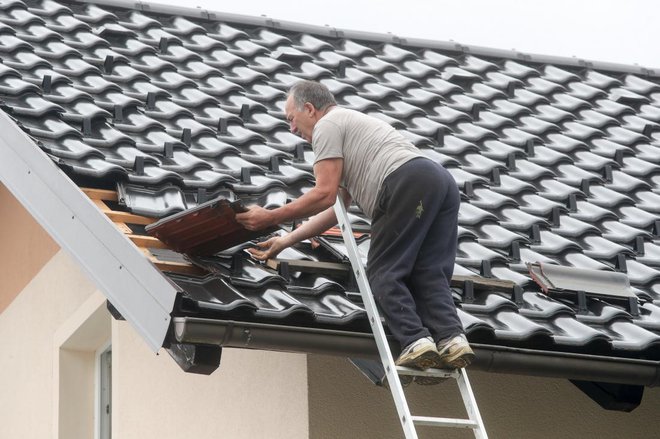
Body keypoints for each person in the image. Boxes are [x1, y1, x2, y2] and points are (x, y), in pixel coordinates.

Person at [235, 80, 474, 379]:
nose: (292, 130)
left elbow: (323, 192)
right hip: (439, 182)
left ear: (309, 109)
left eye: (291, 119)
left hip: (405, 182)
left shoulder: (327, 126)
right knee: (428, 272)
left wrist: (270, 217)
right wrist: (286, 240)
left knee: (384, 271)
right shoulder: (353, 127)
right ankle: (452, 340)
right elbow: (335, 209)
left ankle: (415, 340)